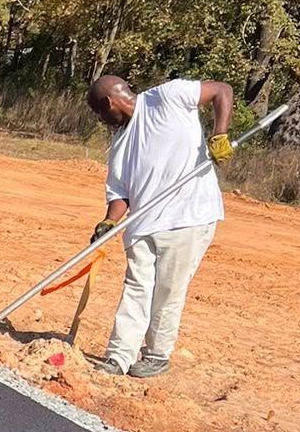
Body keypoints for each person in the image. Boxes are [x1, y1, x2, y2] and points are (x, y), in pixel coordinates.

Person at [86, 72, 235, 378]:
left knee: (167, 290)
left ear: (109, 102)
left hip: (187, 216)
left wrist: (219, 133)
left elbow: (222, 90)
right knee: (136, 288)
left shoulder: (168, 97)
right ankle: (119, 356)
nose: (102, 121)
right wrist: (109, 220)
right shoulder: (120, 143)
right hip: (142, 224)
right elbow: (121, 193)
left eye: (99, 113)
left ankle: (157, 354)